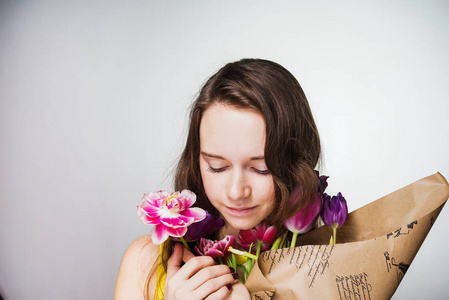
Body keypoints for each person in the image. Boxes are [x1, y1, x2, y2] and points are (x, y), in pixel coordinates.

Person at [114, 58, 321, 300]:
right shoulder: (145, 262)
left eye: (261, 169)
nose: (236, 191)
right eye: (217, 167)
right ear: (196, 159)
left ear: (297, 161)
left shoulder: (329, 264)